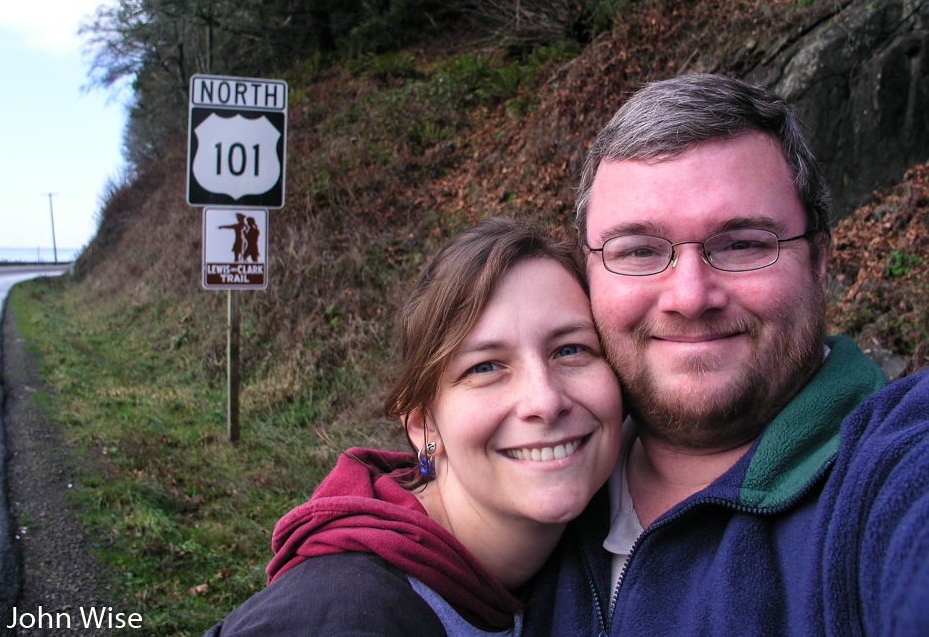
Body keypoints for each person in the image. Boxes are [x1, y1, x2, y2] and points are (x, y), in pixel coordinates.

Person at [520, 73, 929, 636]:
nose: (689, 297)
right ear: (586, 277)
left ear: (820, 262)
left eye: (742, 244)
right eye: (638, 250)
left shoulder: (892, 469)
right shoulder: (538, 475)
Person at [206, 217, 623, 636]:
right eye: (485, 367)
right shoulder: (343, 615)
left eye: (571, 349)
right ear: (425, 428)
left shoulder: (594, 544)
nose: (546, 401)